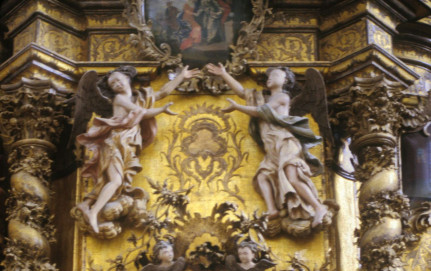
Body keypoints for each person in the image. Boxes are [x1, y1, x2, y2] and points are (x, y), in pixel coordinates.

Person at [75, 65, 199, 234]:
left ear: (127, 79)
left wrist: (181, 77)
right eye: (112, 84)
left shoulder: (139, 97)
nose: (117, 84)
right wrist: (161, 109)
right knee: (115, 181)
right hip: (115, 142)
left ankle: (87, 204)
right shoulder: (119, 99)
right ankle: (93, 211)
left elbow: (162, 93)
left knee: (113, 180)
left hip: (126, 144)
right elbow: (140, 112)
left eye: (118, 80)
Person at [207, 62, 328, 230]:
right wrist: (223, 74)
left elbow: (261, 111)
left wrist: (237, 107)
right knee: (263, 176)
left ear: (285, 80)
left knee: (292, 177)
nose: (270, 78)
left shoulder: (282, 97)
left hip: (285, 143)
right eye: (269, 76)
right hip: (271, 147)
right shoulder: (262, 97)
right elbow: (242, 92)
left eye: (275, 75)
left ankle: (318, 207)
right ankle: (272, 209)